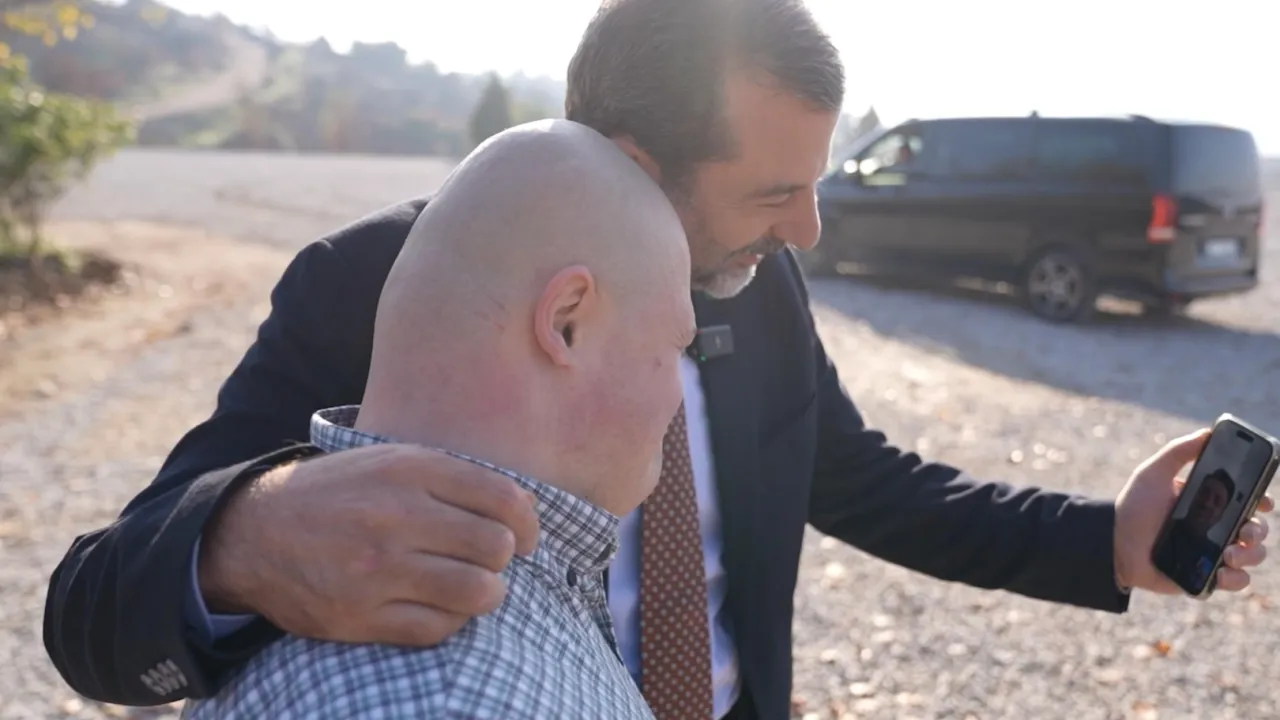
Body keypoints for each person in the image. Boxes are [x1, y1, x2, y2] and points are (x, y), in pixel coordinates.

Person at [44, 1, 1272, 719]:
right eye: (776, 191)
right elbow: (90, 611)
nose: (808, 230)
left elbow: (863, 482)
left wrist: (1103, 543)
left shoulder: (759, 280)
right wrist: (246, 538)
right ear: (635, 164)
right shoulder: (367, 284)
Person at [180, 119, 691, 719]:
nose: (676, 396)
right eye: (676, 346)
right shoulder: (445, 699)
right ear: (566, 322)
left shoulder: (324, 578)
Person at [1157, 468, 1237, 591]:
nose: (1207, 503)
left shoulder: (1216, 555)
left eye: (1217, 501)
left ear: (1221, 515)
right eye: (1204, 493)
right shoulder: (1163, 528)